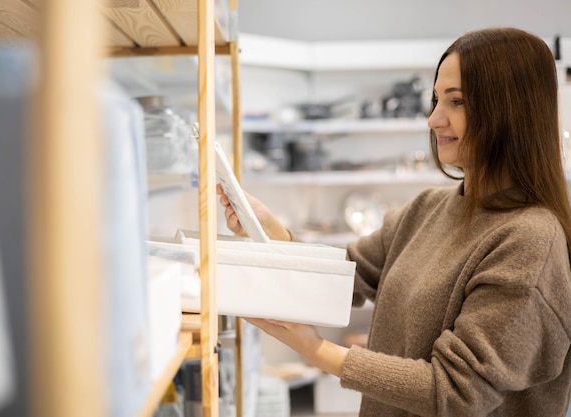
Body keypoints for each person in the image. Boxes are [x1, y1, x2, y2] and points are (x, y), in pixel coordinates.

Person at [217, 27, 571, 416]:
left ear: (510, 112)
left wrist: (315, 350)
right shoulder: (427, 209)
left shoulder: (530, 241)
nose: (434, 119)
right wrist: (269, 228)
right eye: (436, 100)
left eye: (456, 102)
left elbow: (455, 391)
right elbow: (343, 279)